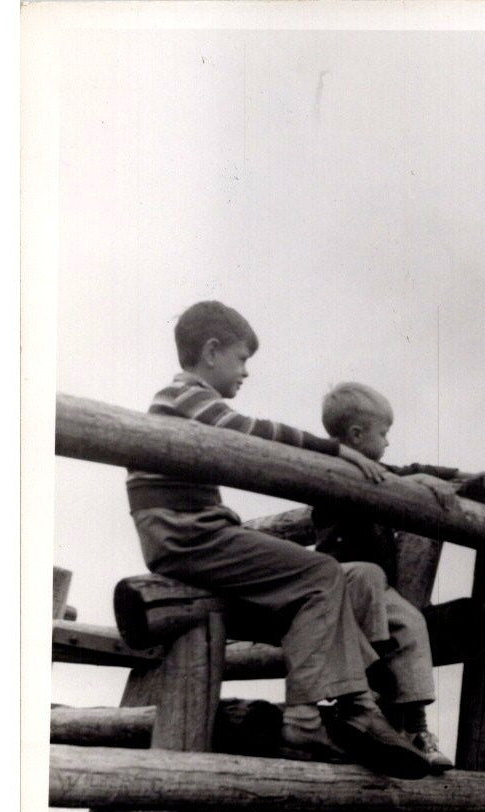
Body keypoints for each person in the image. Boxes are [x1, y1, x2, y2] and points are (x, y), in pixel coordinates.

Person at [126, 300, 430, 778]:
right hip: (190, 537)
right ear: (211, 351)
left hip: (195, 534)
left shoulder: (189, 402)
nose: (246, 371)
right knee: (320, 572)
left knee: (359, 575)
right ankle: (309, 718)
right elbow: (254, 433)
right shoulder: (183, 395)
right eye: (242, 358)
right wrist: (336, 450)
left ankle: (364, 705)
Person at [312, 381, 458, 772]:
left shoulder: (376, 471)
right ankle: (369, 716)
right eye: (383, 434)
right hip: (341, 583)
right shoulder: (330, 468)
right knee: (379, 643)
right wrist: (412, 483)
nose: (388, 443)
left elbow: (405, 471)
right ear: (357, 435)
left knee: (411, 624)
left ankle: (417, 730)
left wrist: (453, 477)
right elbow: (388, 480)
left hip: (380, 587)